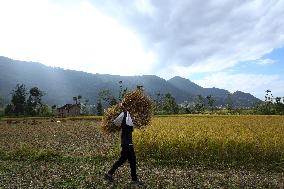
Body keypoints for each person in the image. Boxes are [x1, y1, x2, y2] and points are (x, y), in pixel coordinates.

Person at [104, 103, 143, 186]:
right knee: (132, 160)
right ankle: (134, 180)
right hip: (126, 143)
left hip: (127, 142)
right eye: (131, 107)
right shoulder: (124, 114)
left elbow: (135, 126)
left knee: (122, 160)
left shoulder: (133, 117)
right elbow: (115, 123)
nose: (132, 108)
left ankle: (109, 174)